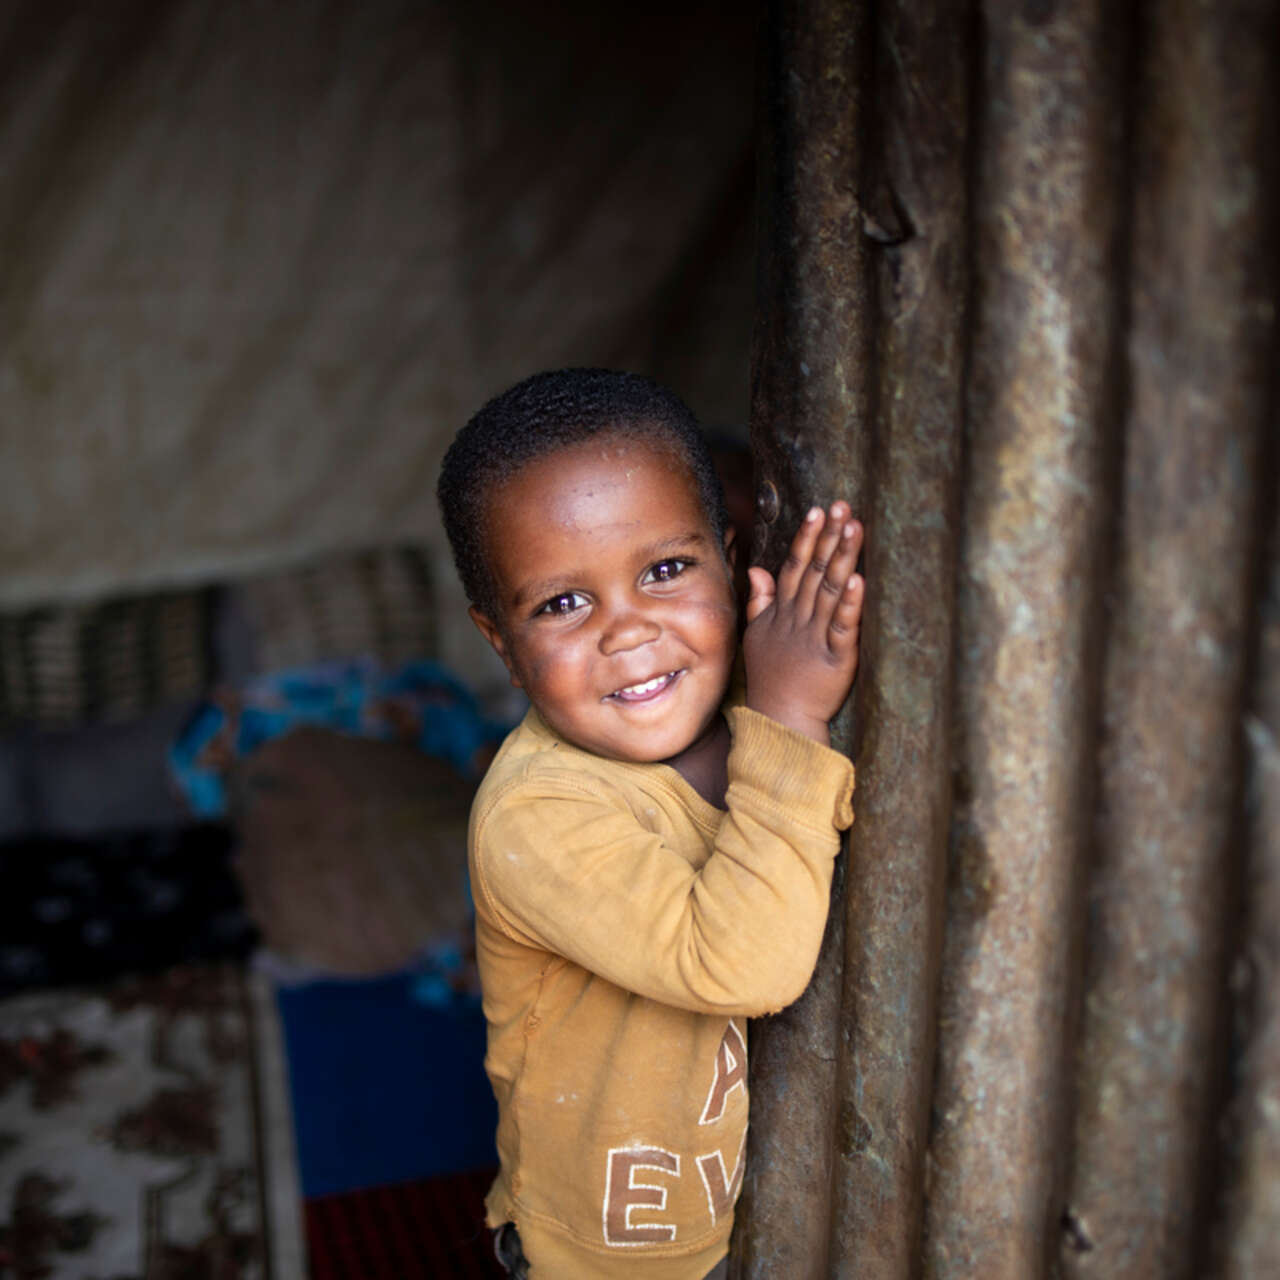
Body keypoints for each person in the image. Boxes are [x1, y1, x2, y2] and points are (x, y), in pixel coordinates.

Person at [436, 369, 864, 1278]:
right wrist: (792, 719)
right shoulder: (535, 816)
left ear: (729, 556)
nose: (627, 632)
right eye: (562, 602)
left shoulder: (747, 698)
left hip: (740, 1204)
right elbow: (744, 960)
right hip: (610, 1258)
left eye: (665, 570)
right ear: (498, 643)